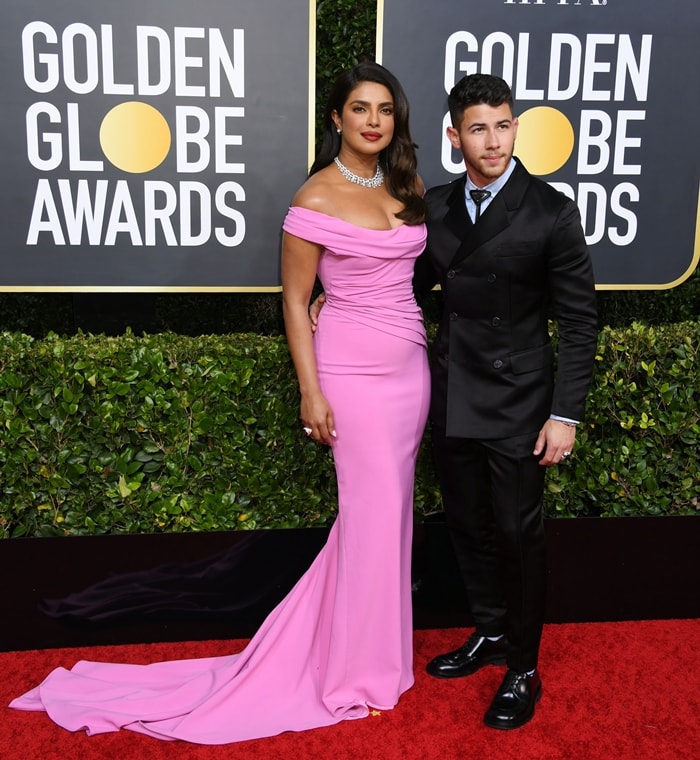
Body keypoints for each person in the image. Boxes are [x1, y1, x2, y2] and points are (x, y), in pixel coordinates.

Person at [8, 62, 430, 745]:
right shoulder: (314, 199)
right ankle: (351, 674)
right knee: (369, 513)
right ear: (337, 119)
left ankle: (372, 659)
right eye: (360, 109)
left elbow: (409, 271)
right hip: (349, 375)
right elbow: (294, 300)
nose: (374, 120)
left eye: (385, 109)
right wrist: (311, 390)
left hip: (410, 370)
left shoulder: (406, 187)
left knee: (387, 522)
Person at [412, 73, 599, 730]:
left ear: (516, 126)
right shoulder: (433, 206)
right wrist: (332, 300)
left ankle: (523, 664)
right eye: (478, 128)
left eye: (503, 124)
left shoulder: (549, 210)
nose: (492, 141)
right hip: (452, 393)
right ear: (454, 135)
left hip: (521, 404)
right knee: (466, 525)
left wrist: (565, 414)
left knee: (519, 536)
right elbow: (401, 286)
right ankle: (490, 633)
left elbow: (579, 322)